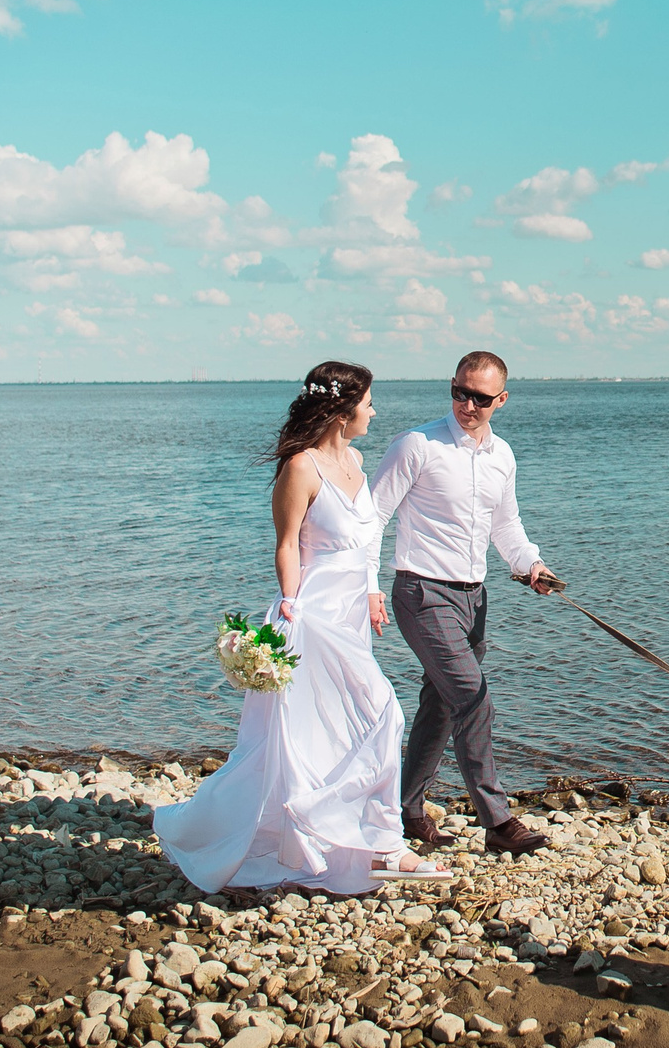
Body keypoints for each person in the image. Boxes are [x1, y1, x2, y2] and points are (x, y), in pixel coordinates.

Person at [154, 361, 449, 896]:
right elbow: (287, 543)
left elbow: (366, 539)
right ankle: (386, 845)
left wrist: (373, 591)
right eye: (367, 403)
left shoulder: (358, 462)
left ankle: (344, 843)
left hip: (352, 615)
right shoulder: (300, 468)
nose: (374, 411)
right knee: (382, 714)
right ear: (341, 411)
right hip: (311, 615)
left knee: (337, 729)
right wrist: (290, 603)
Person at [370, 350, 560, 856]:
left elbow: (505, 525)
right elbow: (372, 518)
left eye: (479, 397)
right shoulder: (417, 444)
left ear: (501, 400)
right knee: (474, 698)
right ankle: (497, 821)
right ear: (451, 387)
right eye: (459, 392)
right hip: (420, 591)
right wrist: (368, 587)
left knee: (441, 703)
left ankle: (407, 811)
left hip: (473, 598)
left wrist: (530, 566)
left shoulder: (503, 456)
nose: (467, 405)